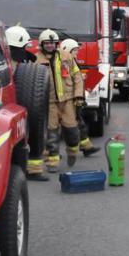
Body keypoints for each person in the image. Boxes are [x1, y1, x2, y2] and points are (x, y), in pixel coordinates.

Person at [35, 29, 84, 172]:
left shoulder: (66, 56)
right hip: (49, 103)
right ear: (41, 44)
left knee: (72, 131)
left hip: (68, 101)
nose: (50, 45)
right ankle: (52, 162)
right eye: (47, 43)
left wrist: (79, 96)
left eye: (53, 43)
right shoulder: (35, 60)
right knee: (51, 134)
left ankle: (72, 151)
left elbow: (77, 77)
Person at [5, 25, 47, 181]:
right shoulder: (7, 64)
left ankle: (31, 169)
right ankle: (26, 170)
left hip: (18, 108)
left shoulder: (18, 63)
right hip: (11, 109)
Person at [58, 39, 101, 157]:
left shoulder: (72, 62)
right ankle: (54, 152)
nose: (77, 53)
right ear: (67, 50)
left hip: (74, 98)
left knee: (79, 122)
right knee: (58, 127)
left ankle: (86, 146)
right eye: (75, 50)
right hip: (66, 99)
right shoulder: (63, 63)